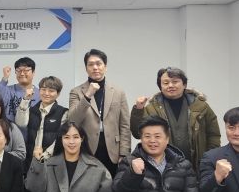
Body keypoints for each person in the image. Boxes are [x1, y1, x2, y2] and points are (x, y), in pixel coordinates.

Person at [130, 67, 220, 172]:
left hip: (197, 165)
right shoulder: (151, 108)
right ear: (160, 87)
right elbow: (137, 133)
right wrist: (138, 110)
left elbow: (213, 135)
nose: (170, 85)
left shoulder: (201, 106)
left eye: (175, 82)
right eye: (166, 83)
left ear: (184, 84)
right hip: (164, 167)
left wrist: (209, 158)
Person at [69, 49, 130, 177]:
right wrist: (88, 95)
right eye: (91, 64)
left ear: (105, 67)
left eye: (98, 63)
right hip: (87, 148)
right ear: (86, 68)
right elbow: (73, 120)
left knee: (112, 186)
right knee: (88, 185)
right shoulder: (76, 92)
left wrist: (124, 153)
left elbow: (125, 124)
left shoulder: (118, 92)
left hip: (113, 150)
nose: (95, 67)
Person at [16, 75, 68, 171]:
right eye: (43, 90)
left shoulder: (63, 112)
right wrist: (25, 100)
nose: (46, 93)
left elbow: (61, 138)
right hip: (30, 159)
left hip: (52, 160)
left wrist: (45, 155)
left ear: (58, 94)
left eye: (51, 91)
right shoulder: (31, 110)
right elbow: (20, 123)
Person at [0, 56, 40, 124]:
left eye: (26, 70)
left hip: (32, 130)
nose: (22, 73)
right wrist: (5, 78)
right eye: (18, 70)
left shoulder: (40, 93)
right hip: (9, 129)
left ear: (33, 72)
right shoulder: (8, 90)